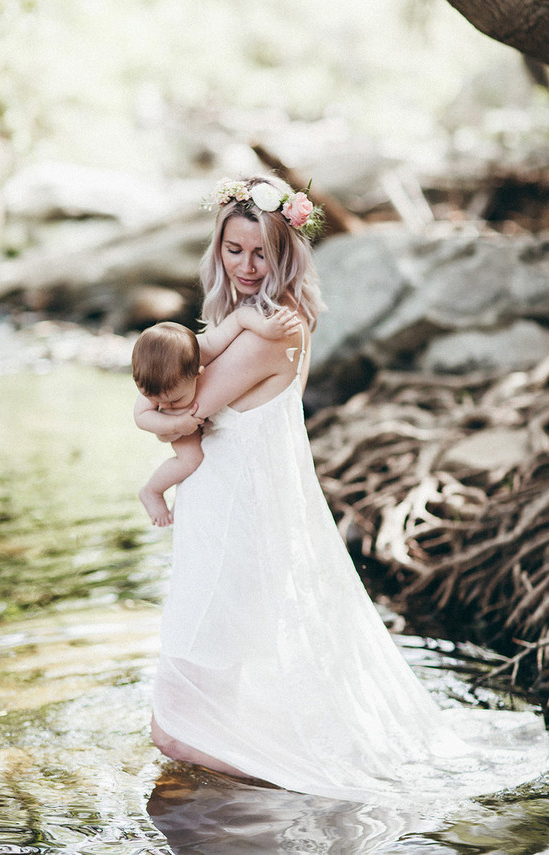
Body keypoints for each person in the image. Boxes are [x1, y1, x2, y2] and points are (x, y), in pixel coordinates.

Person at [144, 175, 548, 805]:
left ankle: (297, 791)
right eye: (233, 250)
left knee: (176, 727)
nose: (247, 267)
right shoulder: (250, 322)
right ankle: (237, 804)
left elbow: (178, 413)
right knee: (207, 701)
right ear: (216, 250)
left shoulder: (270, 329)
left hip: (238, 524)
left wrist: (142, 414)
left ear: (285, 255)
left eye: (261, 252)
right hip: (222, 515)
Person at [132, 309, 299, 526]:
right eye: (153, 398)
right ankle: (152, 491)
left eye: (174, 400)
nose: (162, 405)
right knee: (191, 460)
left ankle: (179, 499)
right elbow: (141, 417)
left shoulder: (206, 347)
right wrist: (174, 422)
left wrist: (265, 327)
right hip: (178, 428)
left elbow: (239, 317)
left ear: (198, 373)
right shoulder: (155, 382)